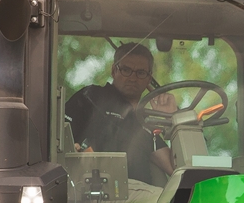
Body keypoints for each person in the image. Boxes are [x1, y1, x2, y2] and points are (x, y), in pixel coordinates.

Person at [65, 43, 175, 183]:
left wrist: (173, 118)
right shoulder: (91, 98)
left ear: (149, 78)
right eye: (126, 70)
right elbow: (60, 140)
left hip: (142, 195)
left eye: (140, 73)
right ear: (113, 71)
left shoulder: (145, 124)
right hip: (98, 190)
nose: (132, 78)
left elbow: (175, 168)